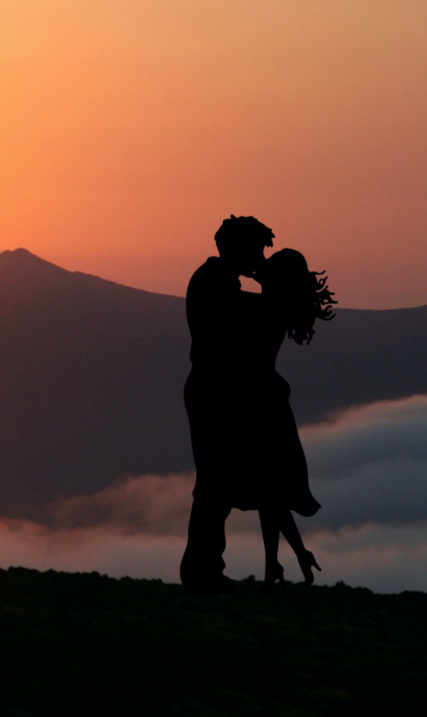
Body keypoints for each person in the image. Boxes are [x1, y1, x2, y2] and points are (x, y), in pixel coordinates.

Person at [179, 215, 272, 594]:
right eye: (257, 250)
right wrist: (275, 296)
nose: (260, 258)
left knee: (216, 484)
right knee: (214, 484)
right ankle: (202, 571)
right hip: (213, 392)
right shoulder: (215, 283)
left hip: (215, 390)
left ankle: (205, 568)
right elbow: (244, 318)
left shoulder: (217, 280)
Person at [248, 248, 334, 589]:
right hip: (268, 400)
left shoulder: (266, 308)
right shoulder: (278, 307)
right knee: (269, 488)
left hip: (258, 402)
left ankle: (281, 562)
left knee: (267, 487)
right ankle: (280, 562)